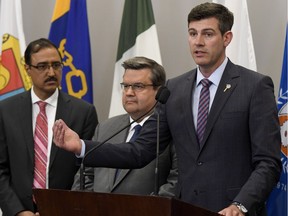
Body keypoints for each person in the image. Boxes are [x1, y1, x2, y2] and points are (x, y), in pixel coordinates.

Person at [53, 3, 282, 216]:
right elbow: (139, 151)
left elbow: (268, 162)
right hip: (185, 209)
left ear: (227, 38)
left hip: (232, 211)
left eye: (208, 34)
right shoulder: (175, 89)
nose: (198, 42)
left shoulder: (254, 86)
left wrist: (240, 205)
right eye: (193, 33)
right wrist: (81, 146)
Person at [0, 38, 98, 216]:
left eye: (56, 65)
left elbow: (87, 171)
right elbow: (1, 169)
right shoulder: (5, 110)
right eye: (42, 66)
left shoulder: (83, 112)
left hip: (66, 211)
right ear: (27, 69)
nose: (51, 72)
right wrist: (18, 212)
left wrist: (62, 208)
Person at [72, 56, 177, 196]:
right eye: (126, 86)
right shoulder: (105, 128)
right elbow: (85, 177)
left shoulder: (171, 130)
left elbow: (175, 183)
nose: (129, 93)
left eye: (138, 86)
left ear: (159, 91)